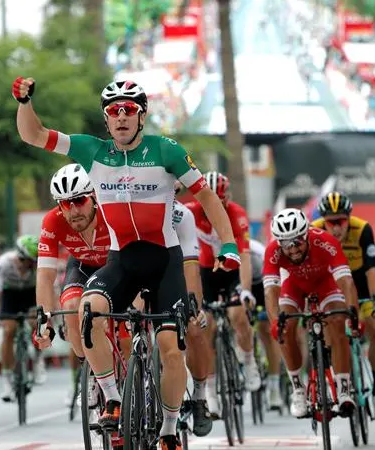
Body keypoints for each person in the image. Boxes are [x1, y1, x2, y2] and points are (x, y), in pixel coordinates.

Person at [13, 77, 240, 450]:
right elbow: (33, 135)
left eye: (129, 110)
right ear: (106, 119)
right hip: (122, 261)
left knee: (170, 348)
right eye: (113, 111)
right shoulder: (91, 151)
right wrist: (24, 102)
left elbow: (206, 196)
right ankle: (113, 398)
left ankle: (168, 429)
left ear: (141, 116)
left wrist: (228, 243)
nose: (121, 116)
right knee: (88, 311)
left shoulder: (165, 150)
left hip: (164, 261)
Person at [263, 208, 359, 418]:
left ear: (306, 235)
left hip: (325, 283)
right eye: (286, 244)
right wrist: (274, 322)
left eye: (297, 242)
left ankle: (343, 389)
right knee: (285, 329)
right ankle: (298, 389)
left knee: (337, 321)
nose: (293, 249)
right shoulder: (273, 251)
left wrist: (352, 313)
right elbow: (271, 290)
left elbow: (346, 282)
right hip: (295, 286)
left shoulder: (325, 241)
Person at [30, 163, 112, 408]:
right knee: (73, 310)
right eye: (66, 203)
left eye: (80, 200)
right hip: (83, 267)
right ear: (59, 206)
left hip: (115, 265)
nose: (74, 210)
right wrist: (43, 320)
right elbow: (45, 276)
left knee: (128, 330)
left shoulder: (110, 211)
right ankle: (90, 374)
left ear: (94, 197)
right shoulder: (52, 222)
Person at [185, 171, 262, 418]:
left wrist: (247, 290)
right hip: (206, 273)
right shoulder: (192, 210)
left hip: (232, 271)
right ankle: (211, 391)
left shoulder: (237, 214)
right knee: (204, 327)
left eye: (221, 200)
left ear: (228, 197)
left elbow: (246, 256)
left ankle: (249, 361)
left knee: (238, 314)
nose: (215, 205)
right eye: (210, 200)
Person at [311, 192, 375, 419]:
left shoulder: (363, 229)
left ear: (349, 218)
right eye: (331, 222)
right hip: (331, 286)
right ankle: (335, 383)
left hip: (360, 284)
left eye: (341, 221)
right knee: (330, 332)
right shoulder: (314, 230)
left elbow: (372, 271)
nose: (336, 227)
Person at [171, 181, 214, 436]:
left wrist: (194, 306)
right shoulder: (131, 208)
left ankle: (199, 397)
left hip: (177, 276)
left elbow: (191, 267)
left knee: (195, 329)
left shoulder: (181, 215)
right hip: (142, 275)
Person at [0, 235, 43, 402]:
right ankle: (7, 382)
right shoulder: (3, 264)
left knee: (37, 323)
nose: (32, 265)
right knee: (9, 331)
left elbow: (44, 290)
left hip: (30, 293)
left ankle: (38, 361)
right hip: (9, 295)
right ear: (20, 257)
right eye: (29, 261)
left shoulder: (36, 267)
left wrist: (45, 313)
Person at [247, 238, 284, 410]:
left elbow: (272, 287)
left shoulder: (256, 251)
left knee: (267, 332)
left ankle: (274, 388)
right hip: (243, 285)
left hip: (263, 284)